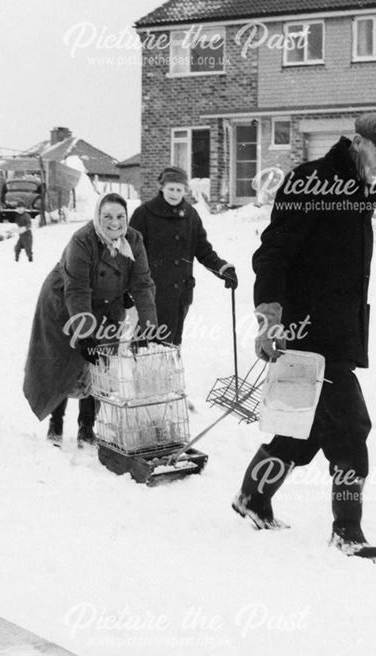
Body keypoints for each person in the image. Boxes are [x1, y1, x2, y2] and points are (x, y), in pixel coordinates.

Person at [232, 112, 376, 561]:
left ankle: (253, 497)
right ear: (356, 142)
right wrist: (269, 315)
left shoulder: (357, 191)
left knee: (303, 430)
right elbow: (273, 252)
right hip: (310, 334)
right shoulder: (313, 182)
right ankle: (347, 531)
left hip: (336, 332)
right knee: (351, 429)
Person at [23, 193, 158, 448]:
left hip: (107, 306)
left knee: (99, 365)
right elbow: (77, 290)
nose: (114, 223)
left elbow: (142, 283)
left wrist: (149, 324)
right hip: (65, 304)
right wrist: (84, 333)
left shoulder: (134, 241)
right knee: (65, 361)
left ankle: (87, 427)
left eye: (120, 216)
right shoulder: (82, 241)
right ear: (97, 216)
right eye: (107, 216)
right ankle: (56, 422)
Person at [128, 167, 238, 347]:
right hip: (151, 295)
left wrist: (221, 268)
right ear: (161, 187)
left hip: (180, 295)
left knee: (171, 349)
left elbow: (202, 249)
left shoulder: (191, 215)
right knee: (146, 350)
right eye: (171, 188)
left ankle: (168, 374)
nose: (174, 193)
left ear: (185, 191)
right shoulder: (144, 214)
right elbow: (130, 254)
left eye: (179, 189)